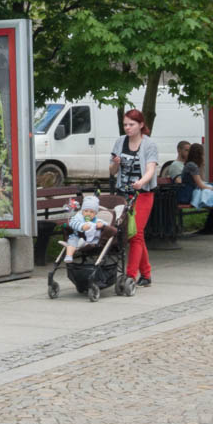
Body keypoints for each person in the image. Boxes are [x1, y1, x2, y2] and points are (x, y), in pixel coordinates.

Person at [109, 109, 161, 289]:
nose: (128, 128)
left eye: (131, 124)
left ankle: (130, 275)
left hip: (143, 193)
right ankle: (146, 273)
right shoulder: (120, 142)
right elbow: (112, 172)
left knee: (136, 234)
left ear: (141, 125)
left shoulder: (149, 144)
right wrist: (115, 164)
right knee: (132, 234)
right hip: (123, 194)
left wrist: (141, 182)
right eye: (125, 125)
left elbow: (151, 169)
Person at [62, 194, 114, 263]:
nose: (88, 214)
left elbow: (106, 224)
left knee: (93, 241)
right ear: (82, 211)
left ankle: (84, 244)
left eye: (92, 212)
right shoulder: (78, 217)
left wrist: (101, 225)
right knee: (71, 242)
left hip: (89, 240)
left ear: (95, 214)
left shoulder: (96, 220)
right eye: (86, 211)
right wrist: (81, 226)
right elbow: (72, 223)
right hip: (77, 235)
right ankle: (69, 256)